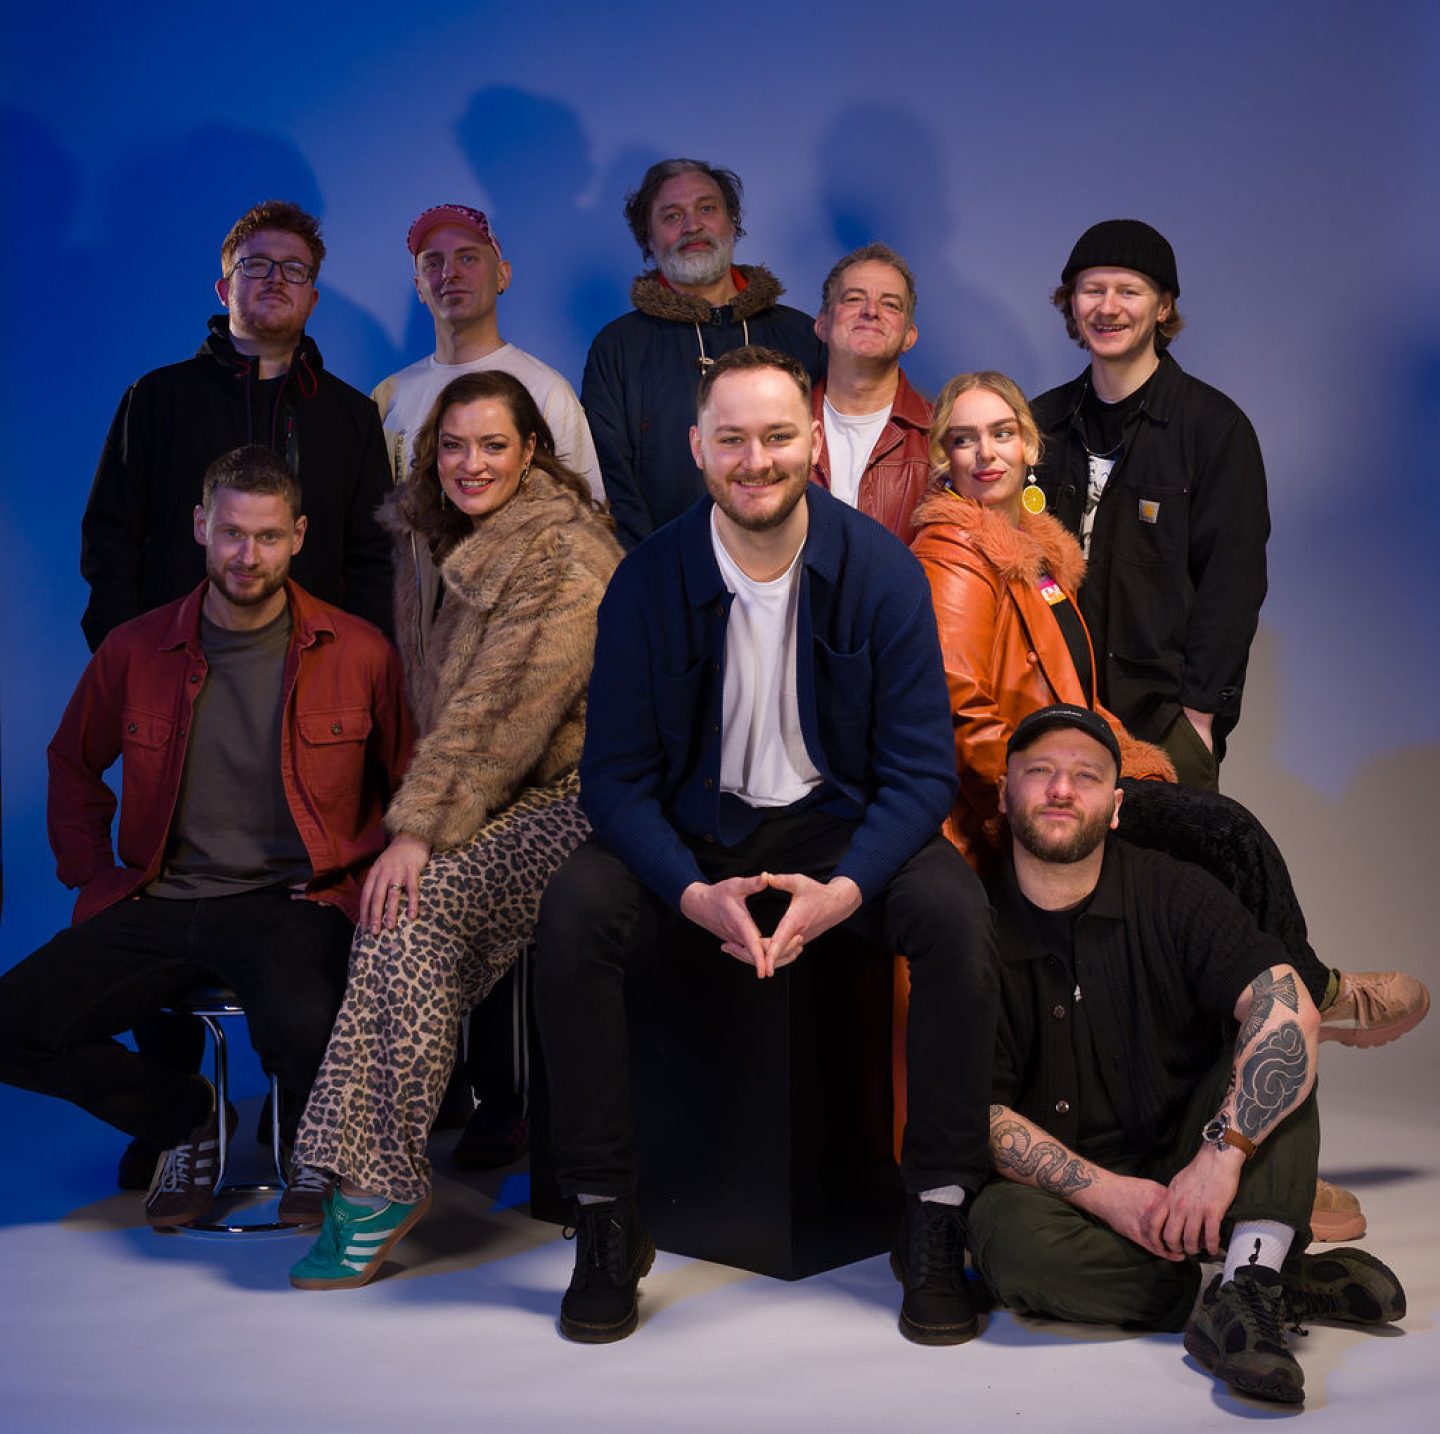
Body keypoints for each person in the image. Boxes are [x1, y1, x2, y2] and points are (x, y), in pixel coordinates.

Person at [533, 345, 997, 1346]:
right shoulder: (648, 579)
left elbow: (922, 773)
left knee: (958, 921)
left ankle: (936, 1216)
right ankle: (607, 1218)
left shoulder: (878, 571)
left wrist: (847, 888)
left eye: (779, 436)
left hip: (841, 822)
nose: (757, 460)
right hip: (694, 826)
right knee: (572, 917)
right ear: (699, 450)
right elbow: (612, 779)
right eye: (733, 439)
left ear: (811, 447)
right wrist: (691, 894)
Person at [909, 370, 1430, 1239]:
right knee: (1219, 834)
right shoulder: (957, 557)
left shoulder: (1037, 551)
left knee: (1214, 860)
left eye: (1001, 433)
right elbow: (964, 715)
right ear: (942, 460)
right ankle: (1317, 996)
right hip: (1027, 799)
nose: (985, 452)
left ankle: (1266, 1142)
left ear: (1028, 447)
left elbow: (1072, 690)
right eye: (963, 439)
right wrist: (1072, 783)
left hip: (1075, 763)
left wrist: (1127, 760)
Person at [0, 447, 412, 1229]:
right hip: (162, 897)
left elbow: (416, 780)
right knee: (13, 1025)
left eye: (265, 536)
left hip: (290, 901)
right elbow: (71, 761)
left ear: (297, 535)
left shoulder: (358, 651)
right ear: (200, 527)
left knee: (308, 1026)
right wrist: (95, 878)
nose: (245, 555)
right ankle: (183, 1120)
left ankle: (310, 1145)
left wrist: (361, 882)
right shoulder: (136, 648)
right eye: (229, 533)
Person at [286, 370, 623, 1290]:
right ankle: (365, 1154)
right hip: (482, 787)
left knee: (415, 900)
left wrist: (419, 830)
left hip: (583, 796)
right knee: (384, 898)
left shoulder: (562, 553)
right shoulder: (432, 535)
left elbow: (495, 714)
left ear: (531, 454)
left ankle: (379, 1178)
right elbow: (437, 711)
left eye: (493, 445)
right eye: (453, 445)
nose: (471, 464)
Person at [969, 706, 1407, 1406]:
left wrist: (1221, 1155)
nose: (1060, 789)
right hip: (1070, 1193)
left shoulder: (1172, 889)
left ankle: (1243, 1287)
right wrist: (1110, 1197)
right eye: (1039, 772)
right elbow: (979, 1114)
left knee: (1279, 1048)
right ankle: (1251, 1282)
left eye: (1085, 777)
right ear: (1005, 793)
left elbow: (1287, 1002)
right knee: (1006, 1240)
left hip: (1194, 1153)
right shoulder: (970, 928)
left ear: (1114, 809)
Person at [81, 199, 394, 648]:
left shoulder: (350, 416)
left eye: (294, 269)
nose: (276, 279)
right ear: (224, 289)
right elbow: (110, 539)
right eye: (256, 265)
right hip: (174, 664)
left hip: (313, 675)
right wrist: (122, 654)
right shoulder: (156, 400)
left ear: (312, 297)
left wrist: (358, 664)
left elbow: (375, 558)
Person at [1031, 219, 1267, 789]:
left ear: (1163, 307)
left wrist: (1199, 719)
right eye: (1092, 290)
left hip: (1161, 726)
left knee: (1169, 880)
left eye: (1128, 291)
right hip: (1049, 714)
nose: (1108, 308)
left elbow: (1231, 587)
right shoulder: (1039, 424)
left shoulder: (1214, 428)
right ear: (1071, 304)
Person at [582, 159, 823, 550]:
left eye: (707, 208)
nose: (692, 226)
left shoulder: (800, 335)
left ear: (733, 223)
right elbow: (611, 480)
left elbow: (824, 463)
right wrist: (648, 577)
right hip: (663, 578)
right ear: (648, 237)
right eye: (672, 216)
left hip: (791, 566)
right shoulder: (617, 348)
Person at [809, 242, 932, 545]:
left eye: (890, 304)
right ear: (822, 324)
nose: (871, 311)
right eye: (853, 298)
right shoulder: (777, 429)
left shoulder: (942, 437)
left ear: (909, 336)